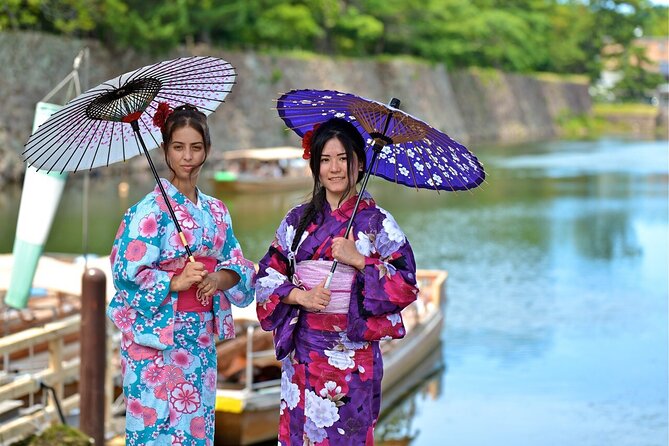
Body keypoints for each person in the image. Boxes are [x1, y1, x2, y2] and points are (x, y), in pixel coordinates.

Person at [255, 118, 419, 445]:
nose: (335, 169)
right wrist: (300, 297)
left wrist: (359, 260)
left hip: (352, 355)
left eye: (343, 159)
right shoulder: (296, 221)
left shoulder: (378, 223)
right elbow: (265, 277)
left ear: (359, 164)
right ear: (315, 166)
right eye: (325, 160)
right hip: (304, 352)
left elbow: (407, 283)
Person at [106, 103, 255, 445]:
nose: (187, 156)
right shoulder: (147, 210)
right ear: (165, 150)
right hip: (156, 341)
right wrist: (175, 281)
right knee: (156, 428)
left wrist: (220, 280)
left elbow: (238, 265)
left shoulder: (217, 210)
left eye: (196, 147)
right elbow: (125, 274)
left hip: (199, 339)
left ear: (208, 150)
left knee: (195, 428)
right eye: (178, 147)